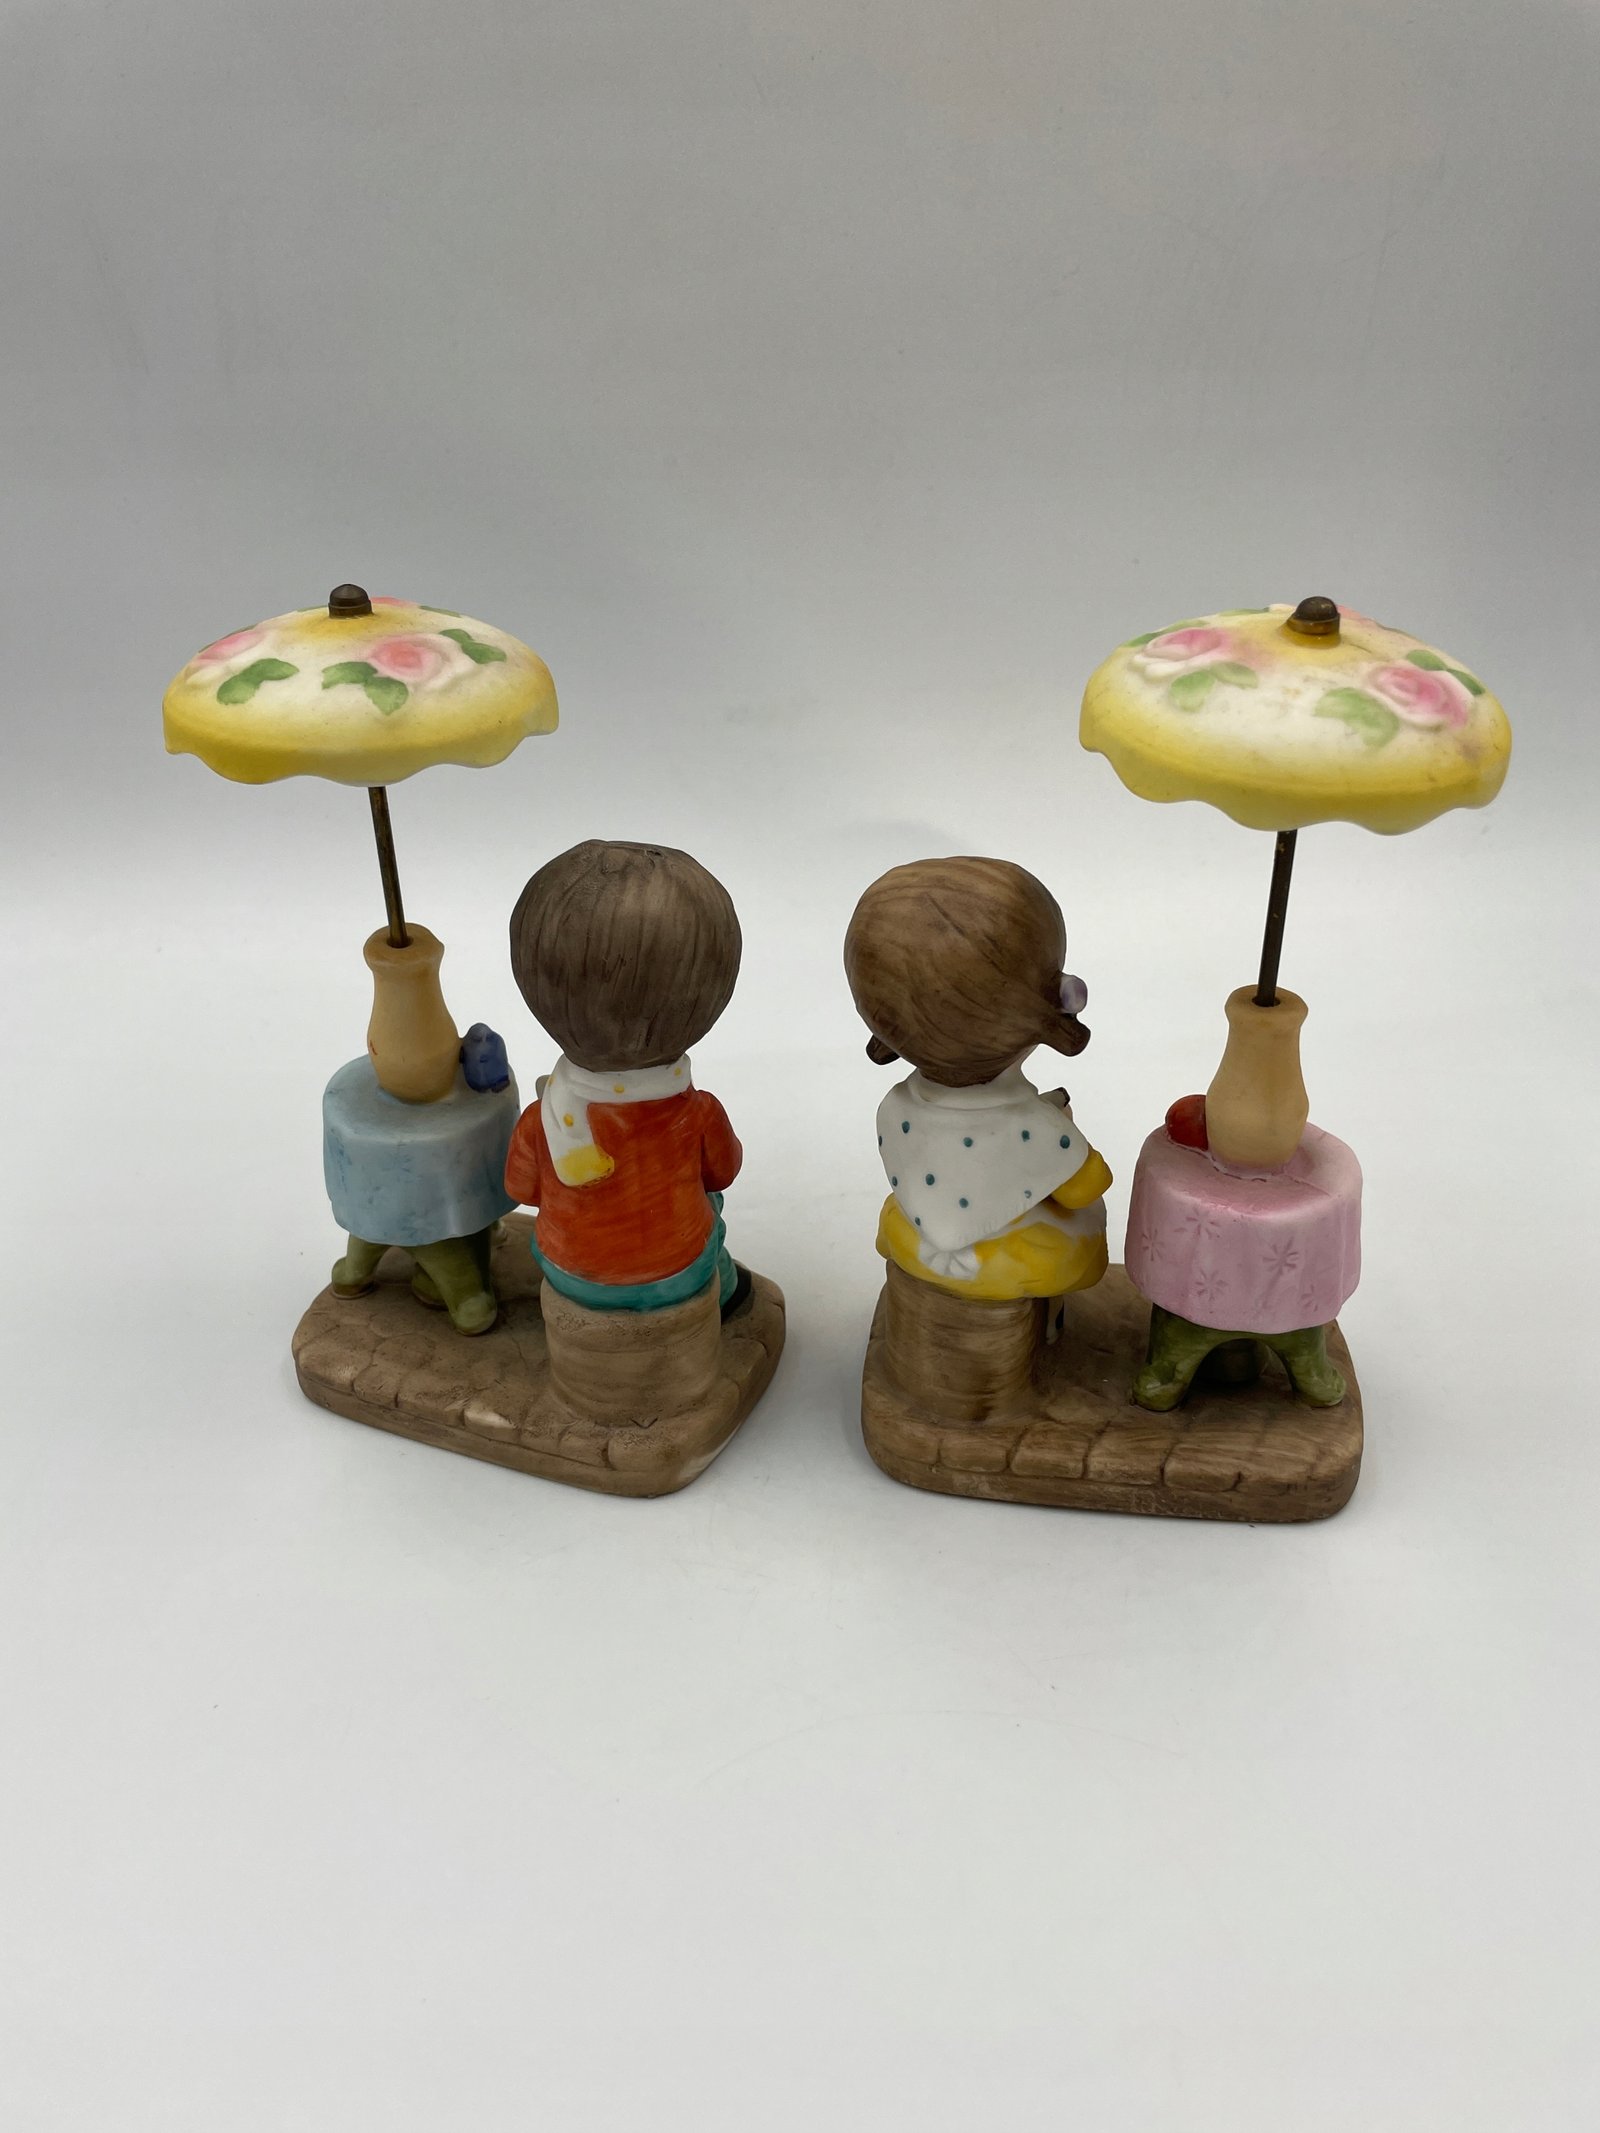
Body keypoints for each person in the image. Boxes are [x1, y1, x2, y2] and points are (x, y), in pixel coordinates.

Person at [845, 856, 1111, 1303]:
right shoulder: (1038, 1129)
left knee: (898, 1210)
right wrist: (1060, 1134)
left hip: (907, 1241)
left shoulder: (894, 1107)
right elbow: (1087, 1187)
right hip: (1002, 1263)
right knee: (1084, 1229)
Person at [504, 840, 751, 1315]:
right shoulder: (698, 1113)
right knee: (712, 1214)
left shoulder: (543, 1118)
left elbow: (520, 1190)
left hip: (568, 1270)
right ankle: (725, 1296)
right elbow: (724, 1171)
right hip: (678, 1272)